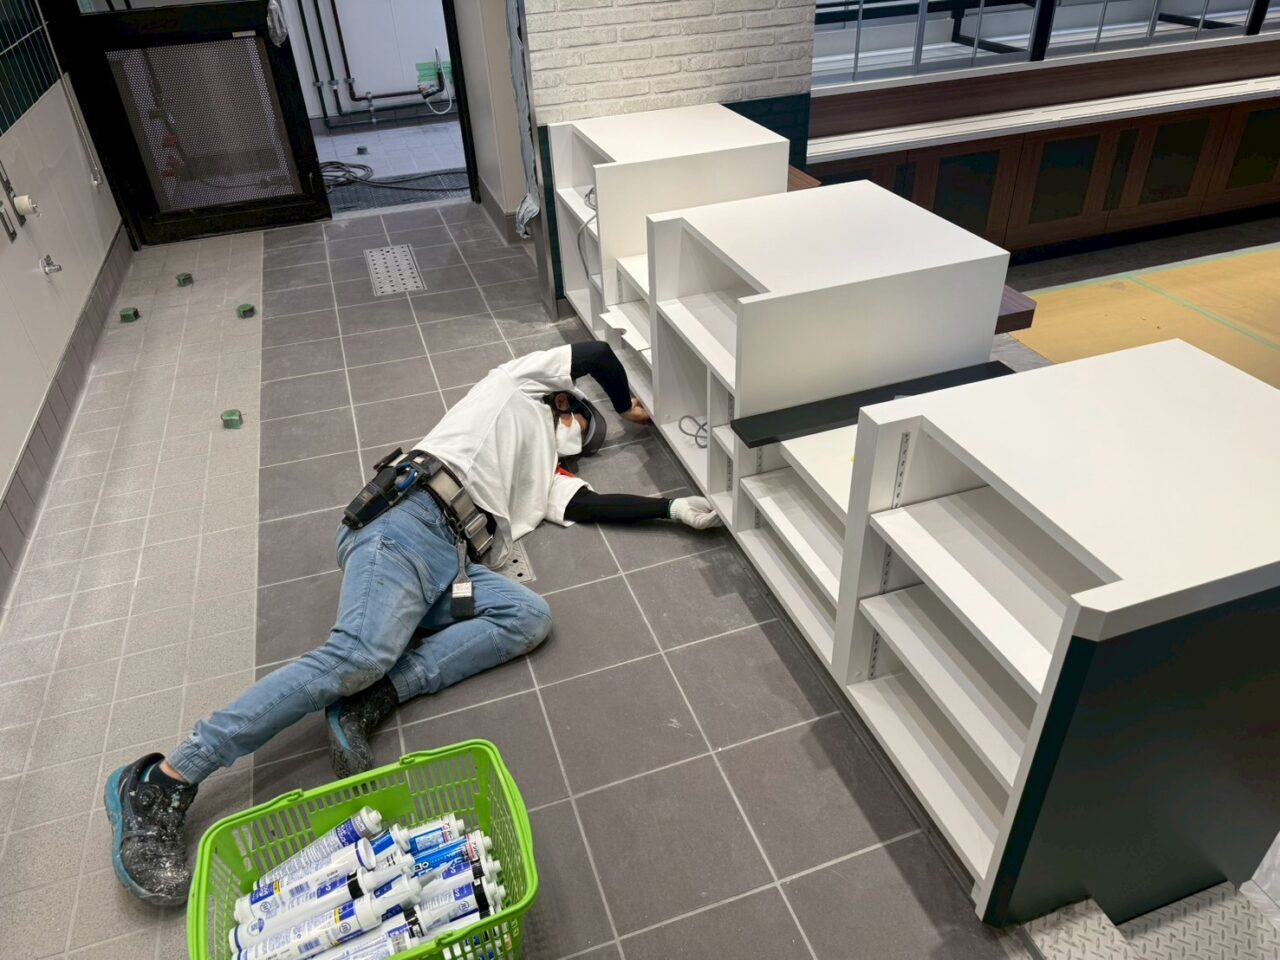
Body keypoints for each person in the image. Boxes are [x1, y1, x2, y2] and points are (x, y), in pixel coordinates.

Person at [104, 340, 721, 906]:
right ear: (566, 404)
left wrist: (670, 508)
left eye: (583, 447)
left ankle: (373, 698)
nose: (578, 444)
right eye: (582, 429)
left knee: (528, 615)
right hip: (407, 520)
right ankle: (164, 778)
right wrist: (626, 406)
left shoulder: (547, 477)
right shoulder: (516, 385)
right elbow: (599, 352)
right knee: (356, 654)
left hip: (452, 560)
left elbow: (593, 504)